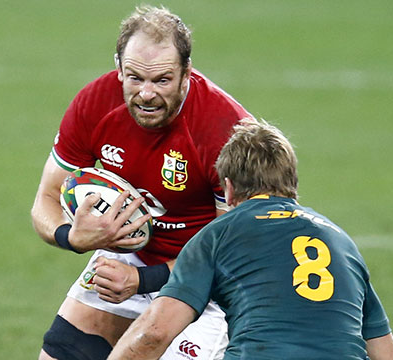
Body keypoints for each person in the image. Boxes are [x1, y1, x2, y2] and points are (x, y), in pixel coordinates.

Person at [30, 5, 252, 360]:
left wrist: (143, 282)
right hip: (130, 260)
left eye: (162, 80)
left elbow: (234, 251)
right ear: (118, 68)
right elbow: (46, 197)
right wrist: (69, 236)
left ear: (187, 74)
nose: (146, 94)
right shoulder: (95, 104)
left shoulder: (226, 133)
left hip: (211, 284)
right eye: (135, 78)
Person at [107, 119, 393, 360]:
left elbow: (155, 333)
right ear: (293, 185)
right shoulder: (340, 240)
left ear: (230, 189)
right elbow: (384, 351)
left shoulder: (218, 234)